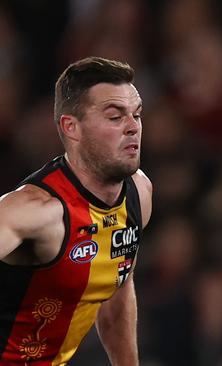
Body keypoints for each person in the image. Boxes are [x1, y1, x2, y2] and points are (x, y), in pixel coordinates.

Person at [0, 56, 151, 365]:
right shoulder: (33, 211)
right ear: (71, 127)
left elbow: (117, 292)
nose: (132, 127)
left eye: (136, 115)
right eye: (114, 117)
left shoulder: (140, 193)